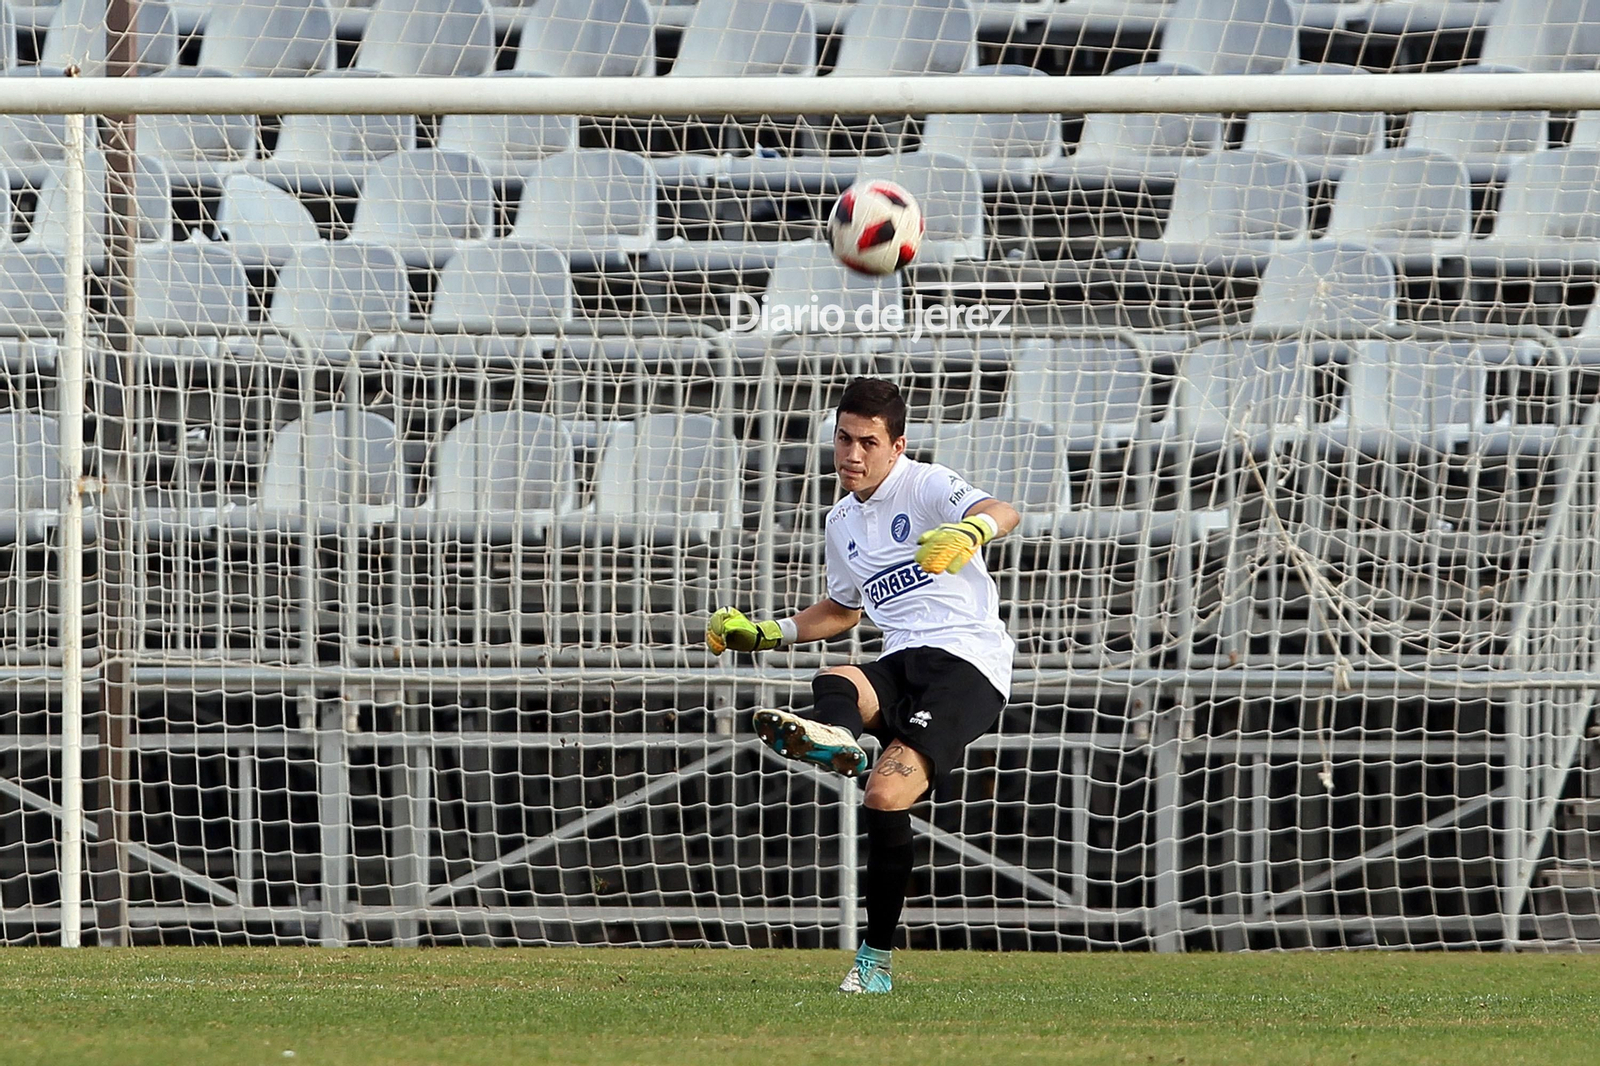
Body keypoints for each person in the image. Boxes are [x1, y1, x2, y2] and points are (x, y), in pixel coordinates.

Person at [705, 376, 1018, 994]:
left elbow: (1002, 510)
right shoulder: (842, 519)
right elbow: (843, 610)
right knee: (838, 676)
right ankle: (840, 738)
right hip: (902, 657)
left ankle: (873, 963)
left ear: (896, 445)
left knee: (884, 798)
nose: (851, 455)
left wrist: (972, 532)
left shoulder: (925, 484)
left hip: (968, 664)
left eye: (867, 442)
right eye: (843, 440)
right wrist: (765, 633)